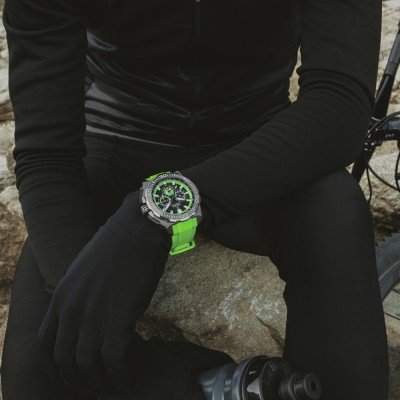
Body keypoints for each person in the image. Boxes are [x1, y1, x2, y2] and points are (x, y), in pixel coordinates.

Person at [0, 0, 389, 399]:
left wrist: (155, 215)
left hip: (257, 149)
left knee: (334, 211)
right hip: (112, 148)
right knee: (36, 366)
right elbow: (47, 155)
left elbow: (340, 104)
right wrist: (145, 364)